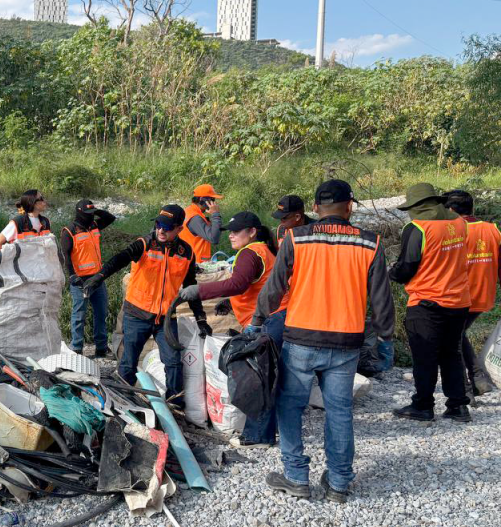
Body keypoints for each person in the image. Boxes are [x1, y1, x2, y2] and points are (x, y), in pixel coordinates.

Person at [252, 180, 394, 503]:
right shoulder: (370, 244)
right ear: (349, 208)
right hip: (346, 343)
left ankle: (296, 476)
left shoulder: (296, 238)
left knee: (290, 406)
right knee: (339, 411)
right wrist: (386, 339)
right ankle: (340, 482)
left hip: (301, 338)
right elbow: (382, 300)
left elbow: (273, 288)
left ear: (315, 208)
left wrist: (257, 321)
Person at [81, 205, 211, 394]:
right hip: (136, 314)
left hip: (165, 318)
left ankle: (175, 405)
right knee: (128, 363)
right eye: (158, 224)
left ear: (179, 229)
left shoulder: (186, 253)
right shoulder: (145, 244)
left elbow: (191, 287)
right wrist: (98, 277)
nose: (161, 230)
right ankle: (123, 400)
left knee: (174, 363)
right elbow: (120, 258)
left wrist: (201, 318)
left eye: (167, 227)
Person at [178, 211, 280, 447]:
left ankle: (257, 436)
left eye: (237, 232)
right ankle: (267, 430)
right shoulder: (262, 251)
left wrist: (200, 291)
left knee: (258, 379)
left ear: (252, 232)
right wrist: (230, 302)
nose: (231, 236)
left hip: (264, 322)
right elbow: (254, 285)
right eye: (230, 232)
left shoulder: (249, 252)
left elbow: (238, 283)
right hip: (273, 318)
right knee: (268, 376)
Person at [390, 183, 473, 423]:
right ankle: (458, 407)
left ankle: (423, 406)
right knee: (451, 353)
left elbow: (407, 266)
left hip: (427, 301)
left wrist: (391, 274)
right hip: (458, 301)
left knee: (425, 356)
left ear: (417, 206)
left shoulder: (418, 228)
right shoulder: (458, 222)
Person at [444, 189, 500, 396]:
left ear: (450, 209)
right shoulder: (492, 229)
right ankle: (476, 378)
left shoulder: (453, 231)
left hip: (459, 297)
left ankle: (465, 389)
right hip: (484, 297)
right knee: (458, 335)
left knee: (451, 340)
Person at [60, 199, 116, 357]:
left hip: (97, 278)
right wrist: (72, 275)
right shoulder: (69, 231)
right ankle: (77, 347)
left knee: (101, 313)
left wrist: (95, 210)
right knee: (79, 315)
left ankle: (101, 347)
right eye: (88, 214)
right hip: (80, 281)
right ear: (79, 213)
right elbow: (66, 256)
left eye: (92, 214)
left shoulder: (94, 225)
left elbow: (110, 218)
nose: (91, 217)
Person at [182, 184, 223, 263]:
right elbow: (214, 238)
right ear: (202, 199)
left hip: (191, 261)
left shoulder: (190, 212)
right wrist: (215, 214)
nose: (214, 203)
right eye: (212, 199)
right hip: (195, 264)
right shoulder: (194, 218)